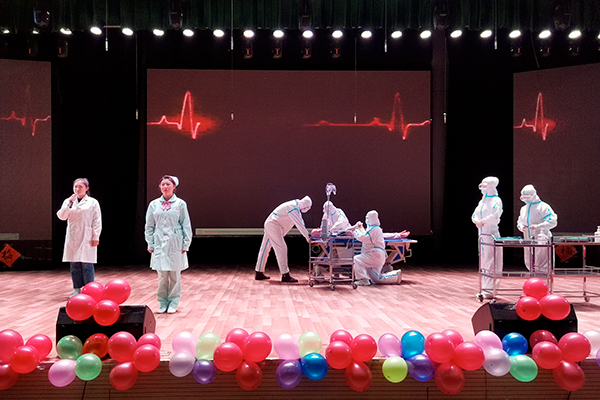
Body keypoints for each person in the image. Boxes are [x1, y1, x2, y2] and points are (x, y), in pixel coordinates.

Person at [145, 175, 192, 314]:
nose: (165, 187)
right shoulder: (154, 204)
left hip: (175, 242)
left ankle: (173, 302)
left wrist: (186, 244)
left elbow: (186, 224)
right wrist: (150, 243)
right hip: (159, 242)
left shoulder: (180, 204)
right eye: (163, 184)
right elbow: (149, 226)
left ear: (174, 187)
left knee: (175, 276)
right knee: (162, 276)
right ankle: (162, 302)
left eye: (168, 184)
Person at [57, 178, 102, 297]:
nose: (77, 189)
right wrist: (68, 204)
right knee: (74, 265)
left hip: (87, 236)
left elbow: (97, 220)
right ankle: (77, 289)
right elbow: (62, 216)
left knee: (87, 264)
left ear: (87, 188)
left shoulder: (93, 202)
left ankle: (90, 290)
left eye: (80, 187)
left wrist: (95, 236)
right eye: (75, 186)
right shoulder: (69, 201)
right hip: (73, 236)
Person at [255, 196, 312, 283]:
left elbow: (300, 221)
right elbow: (299, 224)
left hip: (270, 224)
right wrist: (307, 237)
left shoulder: (294, 206)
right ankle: (285, 274)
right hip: (273, 225)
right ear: (305, 206)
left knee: (265, 248)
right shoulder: (293, 207)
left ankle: (259, 272)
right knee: (282, 248)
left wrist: (307, 235)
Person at [471, 176, 503, 299]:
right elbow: (475, 214)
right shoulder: (482, 201)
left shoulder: (496, 200)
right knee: (484, 261)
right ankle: (485, 288)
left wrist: (482, 221)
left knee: (492, 261)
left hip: (491, 233)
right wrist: (476, 221)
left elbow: (495, 217)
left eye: (485, 185)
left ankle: (491, 289)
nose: (482, 187)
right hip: (482, 233)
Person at [517, 184, 557, 271]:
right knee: (529, 260)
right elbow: (519, 221)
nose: (525, 200)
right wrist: (521, 227)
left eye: (527, 197)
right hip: (528, 238)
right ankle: (532, 275)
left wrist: (539, 226)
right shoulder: (523, 209)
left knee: (542, 260)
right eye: (524, 198)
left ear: (533, 195)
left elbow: (552, 221)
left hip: (541, 238)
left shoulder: (543, 207)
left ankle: (543, 277)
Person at [352, 210, 386, 286]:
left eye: (367, 218)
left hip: (374, 255)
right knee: (376, 278)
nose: (366, 220)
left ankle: (362, 279)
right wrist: (360, 228)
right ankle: (396, 276)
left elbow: (363, 237)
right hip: (377, 255)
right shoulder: (375, 228)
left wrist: (355, 230)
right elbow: (366, 234)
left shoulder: (374, 229)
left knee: (357, 259)